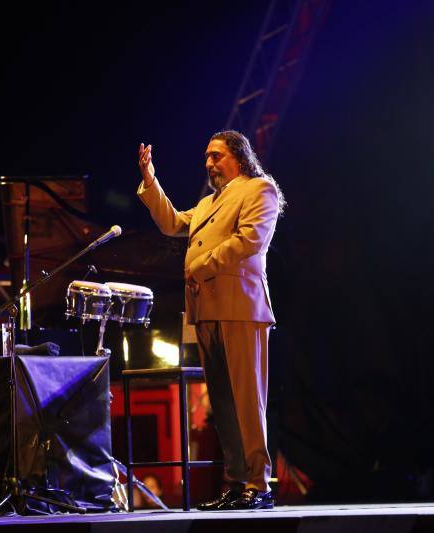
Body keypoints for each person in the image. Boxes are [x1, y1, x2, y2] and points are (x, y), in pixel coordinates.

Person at [136, 130, 285, 511]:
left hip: (240, 307)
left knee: (247, 400)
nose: (209, 163)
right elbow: (171, 223)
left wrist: (200, 265)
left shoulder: (258, 189)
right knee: (222, 402)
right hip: (206, 310)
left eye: (216, 155)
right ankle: (237, 482)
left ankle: (259, 483)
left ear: (238, 156)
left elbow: (249, 240)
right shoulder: (207, 203)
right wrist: (150, 180)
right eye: (206, 156)